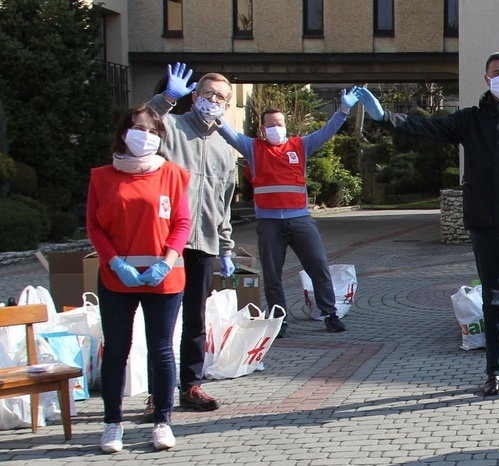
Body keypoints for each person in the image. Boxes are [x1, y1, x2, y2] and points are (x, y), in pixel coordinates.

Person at [355, 52, 499, 399]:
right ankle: (495, 373)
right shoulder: (470, 120)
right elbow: (425, 127)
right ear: (486, 79)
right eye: (497, 72)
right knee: (493, 301)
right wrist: (384, 118)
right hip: (484, 224)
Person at [87, 104, 191, 452]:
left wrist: (166, 261)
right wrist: (114, 263)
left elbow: (182, 224)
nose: (143, 136)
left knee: (162, 350)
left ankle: (162, 421)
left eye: (151, 130)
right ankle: (112, 424)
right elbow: (94, 227)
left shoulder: (173, 174)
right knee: (116, 350)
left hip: (164, 278)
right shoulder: (102, 177)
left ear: (160, 137)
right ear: (122, 132)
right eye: (136, 128)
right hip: (118, 278)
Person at [216, 88, 361, 337]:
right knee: (272, 275)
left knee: (318, 267)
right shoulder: (252, 147)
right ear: (262, 129)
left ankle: (329, 314)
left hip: (300, 219)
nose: (276, 128)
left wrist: (343, 111)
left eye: (280, 124)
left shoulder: (300, 146)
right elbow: (229, 134)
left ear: (286, 125)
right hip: (268, 223)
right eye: (271, 125)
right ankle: (278, 319)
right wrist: (215, 114)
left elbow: (326, 133)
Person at [145, 63, 236, 415]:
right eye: (208, 94)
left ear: (227, 106)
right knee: (162, 321)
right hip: (167, 244)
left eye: (221, 97)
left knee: (195, 320)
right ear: (195, 96)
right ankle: (158, 392)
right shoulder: (171, 128)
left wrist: (226, 247)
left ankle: (192, 385)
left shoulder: (225, 151)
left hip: (204, 245)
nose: (213, 100)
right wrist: (167, 98)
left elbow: (225, 204)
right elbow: (143, 122)